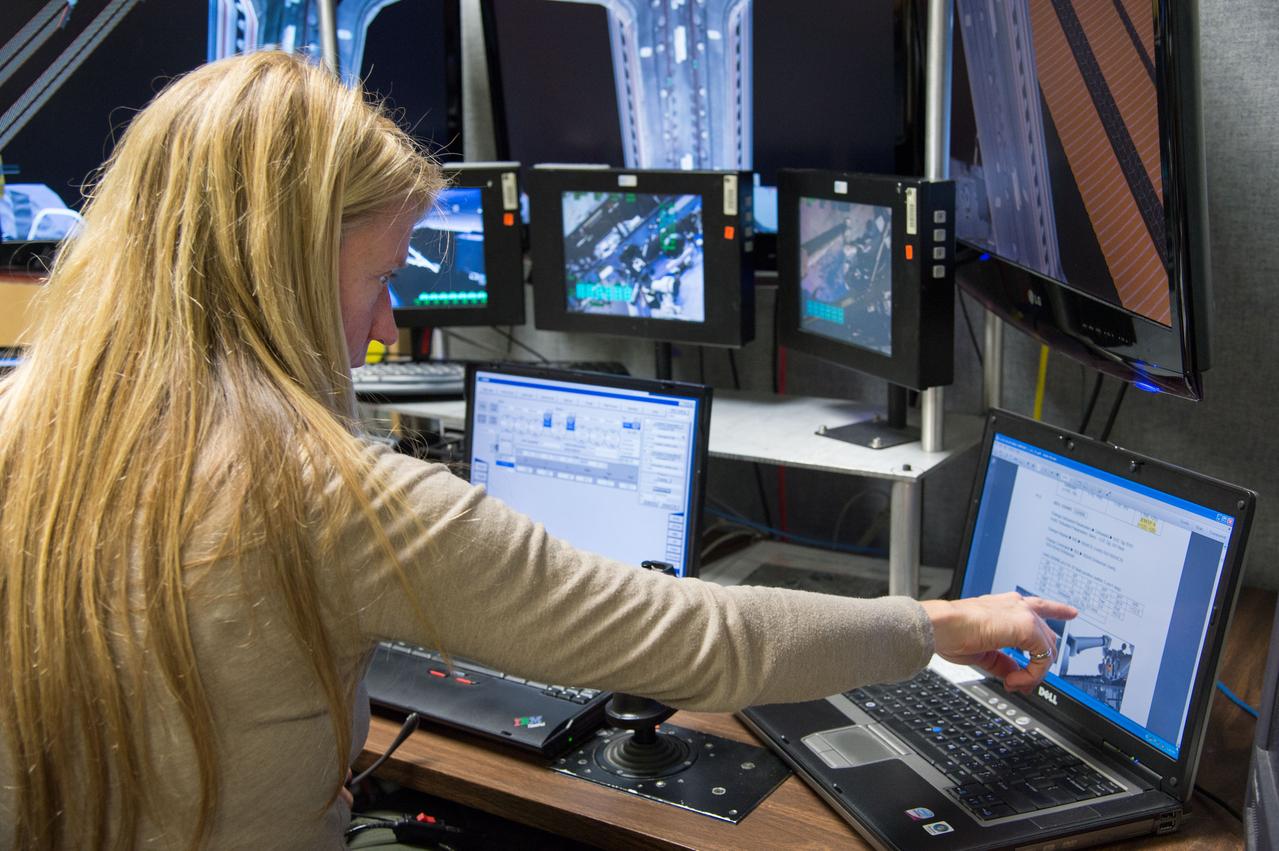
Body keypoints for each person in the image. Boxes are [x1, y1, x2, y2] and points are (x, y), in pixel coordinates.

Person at [0, 51, 1075, 850]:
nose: (382, 330)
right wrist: (938, 622)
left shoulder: (26, 414)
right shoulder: (332, 499)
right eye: (378, 277)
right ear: (276, 271)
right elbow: (698, 641)